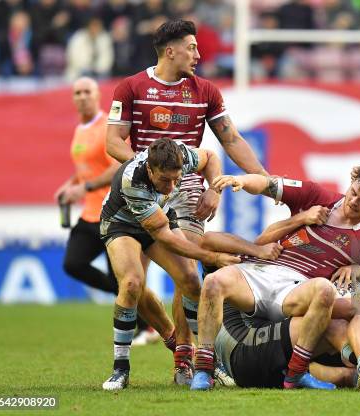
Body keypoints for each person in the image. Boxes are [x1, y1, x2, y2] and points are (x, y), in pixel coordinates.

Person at [105, 19, 268, 384]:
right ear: (171, 51)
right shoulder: (130, 87)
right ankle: (172, 339)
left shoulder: (205, 91)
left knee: (186, 272)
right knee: (134, 283)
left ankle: (185, 357)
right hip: (143, 188)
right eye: (192, 48)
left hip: (188, 188)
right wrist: (148, 168)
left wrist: (264, 180)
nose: (198, 54)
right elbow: (114, 142)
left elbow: (230, 139)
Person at [192, 164, 360, 391]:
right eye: (353, 193)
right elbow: (268, 184)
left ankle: (340, 367)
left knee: (328, 291)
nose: (353, 202)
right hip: (260, 274)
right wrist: (240, 180)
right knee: (213, 281)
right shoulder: (317, 196)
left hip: (296, 290)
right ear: (351, 183)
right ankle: (203, 370)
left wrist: (359, 272)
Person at [100, 138, 282, 391]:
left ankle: (210, 361)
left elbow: (210, 157)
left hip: (160, 215)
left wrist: (213, 189)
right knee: (132, 283)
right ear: (150, 171)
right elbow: (164, 237)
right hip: (121, 223)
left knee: (190, 281)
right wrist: (214, 258)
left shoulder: (182, 155)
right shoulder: (134, 181)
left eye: (176, 179)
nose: (173, 186)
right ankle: (121, 369)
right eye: (165, 181)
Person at [53, 76, 163, 346]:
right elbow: (84, 168)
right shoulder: (80, 129)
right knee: (73, 264)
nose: (82, 96)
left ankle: (148, 326)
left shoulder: (107, 128)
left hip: (113, 213)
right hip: (89, 214)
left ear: (96, 95)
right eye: (77, 92)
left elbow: (118, 166)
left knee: (124, 277)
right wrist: (69, 186)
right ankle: (142, 318)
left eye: (86, 91)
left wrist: (86, 186)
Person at [215, 301, 360, 389]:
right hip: (315, 354)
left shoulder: (346, 276)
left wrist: (358, 274)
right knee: (342, 372)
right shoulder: (300, 293)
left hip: (353, 345)